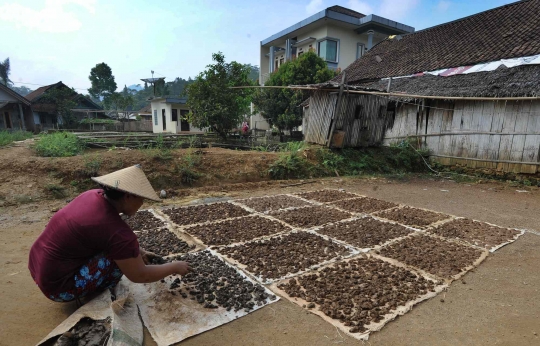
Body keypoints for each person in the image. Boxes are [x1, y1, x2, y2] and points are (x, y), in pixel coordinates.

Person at [28, 164, 192, 304]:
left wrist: (140, 252)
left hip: (38, 268)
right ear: (127, 196)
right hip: (58, 288)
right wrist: (174, 267)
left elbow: (101, 235)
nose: (142, 203)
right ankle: (93, 294)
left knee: (122, 251)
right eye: (141, 199)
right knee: (116, 259)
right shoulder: (118, 233)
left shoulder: (91, 195)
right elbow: (140, 275)